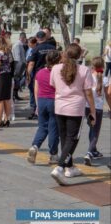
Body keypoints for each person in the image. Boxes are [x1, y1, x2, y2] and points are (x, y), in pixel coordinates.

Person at [49, 43, 95, 185]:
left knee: (65, 138)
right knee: (72, 139)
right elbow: (88, 92)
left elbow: (53, 85)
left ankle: (70, 167)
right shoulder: (84, 70)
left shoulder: (56, 68)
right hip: (75, 108)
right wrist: (93, 111)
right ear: (80, 55)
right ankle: (60, 167)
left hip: (59, 107)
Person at [27, 50, 61, 165]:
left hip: (41, 101)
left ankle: (35, 146)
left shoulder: (40, 72)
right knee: (53, 129)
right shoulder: (58, 73)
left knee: (42, 127)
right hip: (53, 101)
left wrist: (37, 104)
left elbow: (36, 89)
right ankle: (53, 154)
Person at [83, 57, 109, 166]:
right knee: (95, 132)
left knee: (92, 129)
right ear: (103, 66)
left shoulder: (88, 77)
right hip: (97, 109)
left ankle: (93, 150)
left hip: (87, 108)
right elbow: (108, 95)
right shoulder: (105, 79)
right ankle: (89, 153)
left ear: (92, 66)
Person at [27, 31, 56, 120]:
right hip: (52, 73)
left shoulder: (35, 49)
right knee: (51, 90)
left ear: (36, 38)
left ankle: (36, 109)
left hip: (39, 74)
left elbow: (31, 64)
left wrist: (28, 76)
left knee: (36, 92)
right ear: (45, 37)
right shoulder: (53, 48)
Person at [12, 32, 27, 100]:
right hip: (18, 65)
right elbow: (17, 57)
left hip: (20, 64)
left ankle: (15, 94)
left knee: (17, 80)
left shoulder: (19, 45)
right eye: (24, 39)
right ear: (22, 38)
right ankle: (15, 95)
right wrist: (19, 66)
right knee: (16, 80)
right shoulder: (18, 45)